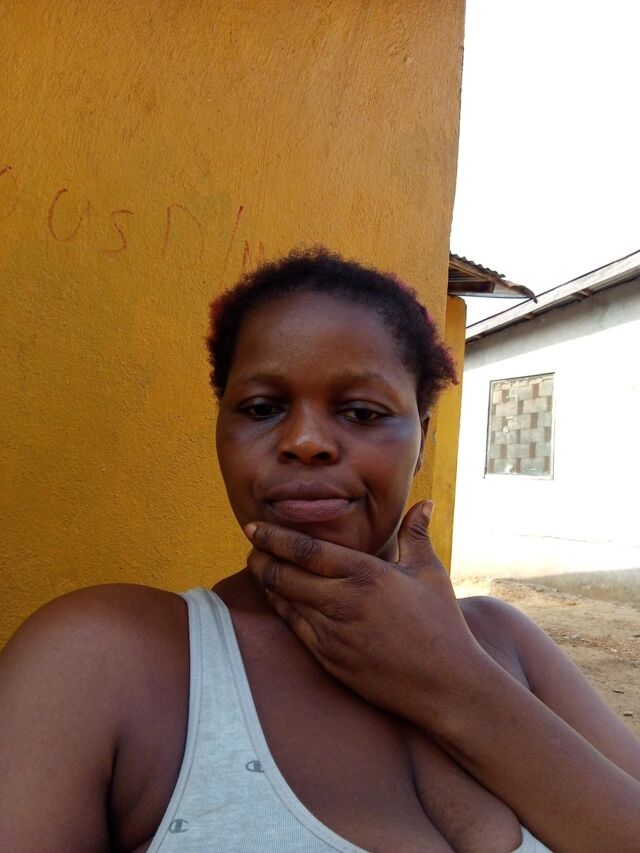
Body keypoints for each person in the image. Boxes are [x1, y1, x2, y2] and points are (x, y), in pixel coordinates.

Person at [0, 249, 638, 853]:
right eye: (262, 408)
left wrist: (451, 679)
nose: (305, 441)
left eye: (361, 413)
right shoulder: (103, 660)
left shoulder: (506, 644)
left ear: (423, 436)